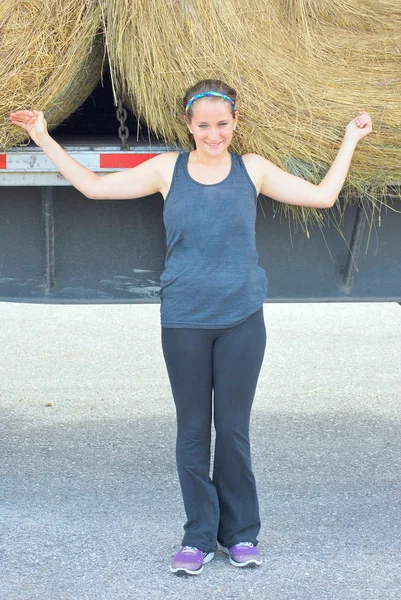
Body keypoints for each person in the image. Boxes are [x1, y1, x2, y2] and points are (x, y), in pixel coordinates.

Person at [10, 80, 372, 576]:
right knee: (193, 433)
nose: (214, 134)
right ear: (188, 125)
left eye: (222, 124)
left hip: (242, 319)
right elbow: (94, 187)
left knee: (234, 430)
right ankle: (198, 537)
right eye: (203, 125)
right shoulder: (167, 169)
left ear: (235, 123)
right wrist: (44, 136)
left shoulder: (253, 169)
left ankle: (242, 535)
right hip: (183, 320)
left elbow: (325, 197)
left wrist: (350, 138)